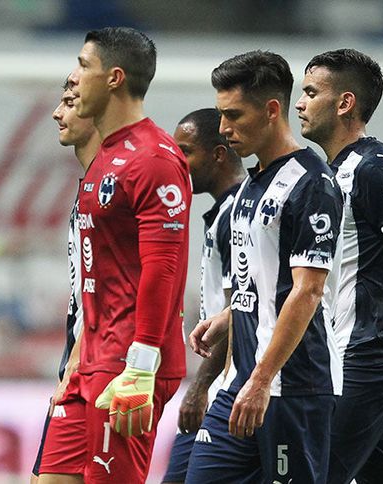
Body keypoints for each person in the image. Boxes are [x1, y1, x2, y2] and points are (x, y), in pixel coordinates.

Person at [37, 27, 191, 484]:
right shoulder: (104, 156)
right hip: (91, 360)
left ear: (114, 78)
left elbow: (162, 268)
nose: (74, 76)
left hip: (127, 364)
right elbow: (96, 276)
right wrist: (77, 358)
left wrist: (140, 367)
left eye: (84, 66)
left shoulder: (154, 158)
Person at [185, 50, 343, 484]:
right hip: (241, 381)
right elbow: (261, 282)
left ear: (272, 110)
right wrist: (228, 315)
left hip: (293, 386)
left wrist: (262, 380)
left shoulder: (312, 183)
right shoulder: (250, 186)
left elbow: (307, 291)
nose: (223, 128)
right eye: (221, 114)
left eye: (234, 115)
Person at [294, 48, 383, 484]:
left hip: (364, 358)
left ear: (345, 103)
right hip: (352, 356)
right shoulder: (332, 172)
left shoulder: (374, 169)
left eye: (311, 93)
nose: (299, 104)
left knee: (312, 474)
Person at [162, 108, 244, 484]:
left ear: (218, 154)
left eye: (186, 151)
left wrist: (200, 387)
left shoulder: (238, 213)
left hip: (230, 388)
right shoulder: (225, 211)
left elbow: (238, 308)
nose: (177, 162)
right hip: (225, 385)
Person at [30, 78, 101, 484]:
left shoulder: (112, 187)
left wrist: (78, 359)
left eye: (70, 103)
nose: (57, 114)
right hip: (78, 362)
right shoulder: (89, 186)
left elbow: (116, 287)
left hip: (99, 367)